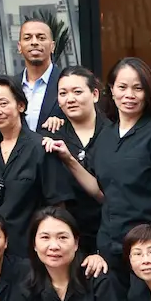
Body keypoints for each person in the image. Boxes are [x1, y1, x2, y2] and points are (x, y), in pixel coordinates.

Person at [80, 59, 151, 284]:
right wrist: (68, 159)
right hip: (109, 247)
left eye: (138, 88)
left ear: (148, 93)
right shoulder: (105, 135)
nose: (130, 94)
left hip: (146, 249)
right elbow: (100, 190)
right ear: (111, 90)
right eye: (122, 87)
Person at [0, 76, 72, 251]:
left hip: (31, 250)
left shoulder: (41, 147)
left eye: (3, 103)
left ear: (21, 105)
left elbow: (57, 206)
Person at [42, 67, 107, 262]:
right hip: (65, 238)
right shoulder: (51, 135)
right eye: (63, 93)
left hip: (108, 233)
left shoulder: (114, 133)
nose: (70, 99)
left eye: (77, 92)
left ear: (94, 94)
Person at [20, 19, 59, 132]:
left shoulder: (66, 82)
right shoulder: (11, 86)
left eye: (41, 38)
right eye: (27, 38)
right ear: (19, 47)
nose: (34, 42)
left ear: (52, 46)